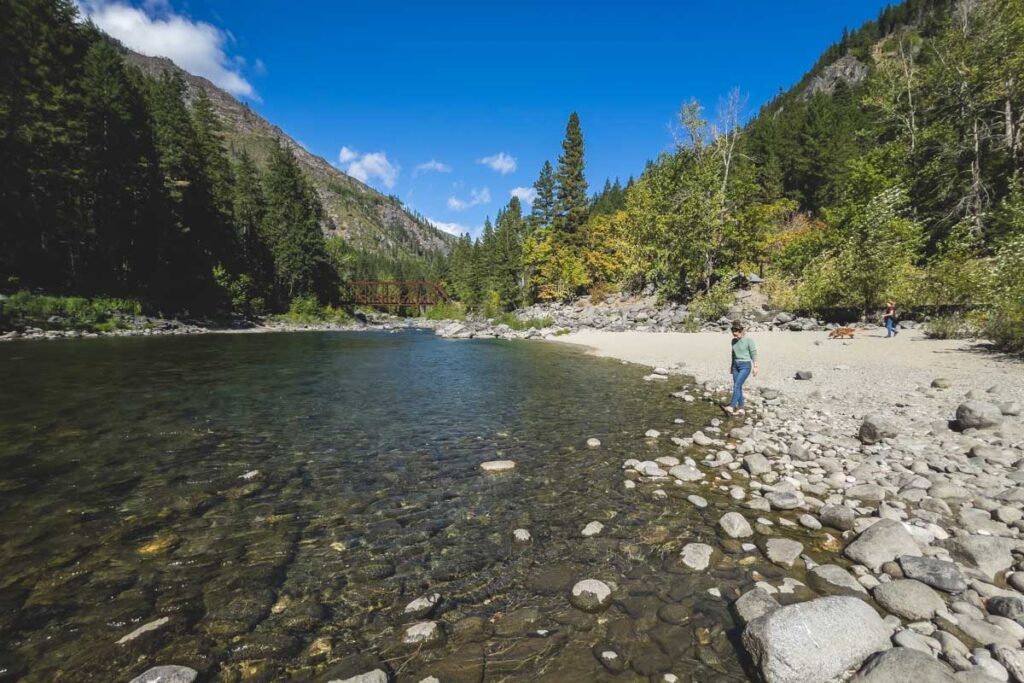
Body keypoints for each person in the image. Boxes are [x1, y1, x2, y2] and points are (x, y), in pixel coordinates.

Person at [724, 321, 758, 416]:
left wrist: (755, 367)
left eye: (737, 333)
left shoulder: (748, 340)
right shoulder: (733, 341)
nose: (735, 335)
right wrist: (731, 366)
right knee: (738, 386)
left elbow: (753, 353)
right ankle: (741, 408)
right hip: (735, 366)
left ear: (742, 331)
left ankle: (731, 406)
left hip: (745, 366)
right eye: (733, 333)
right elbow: (733, 354)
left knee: (737, 386)